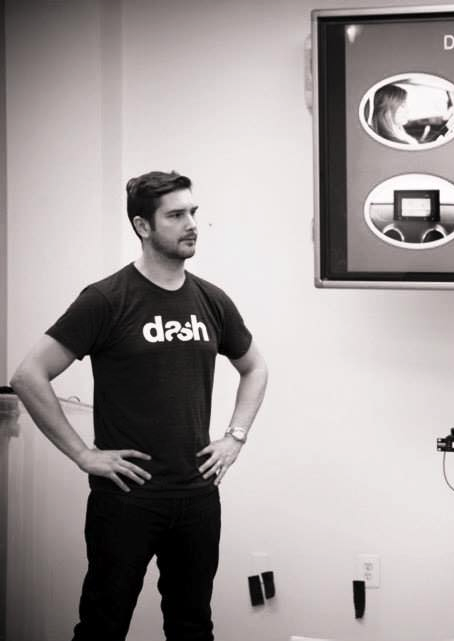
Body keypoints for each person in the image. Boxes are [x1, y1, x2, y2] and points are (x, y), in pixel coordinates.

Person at [10, 170, 269, 641]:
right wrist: (83, 454)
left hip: (196, 496)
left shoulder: (211, 300)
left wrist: (234, 438)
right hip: (127, 499)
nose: (191, 224)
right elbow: (29, 376)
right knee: (102, 627)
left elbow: (255, 367)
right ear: (143, 226)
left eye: (193, 212)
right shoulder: (107, 299)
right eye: (176, 215)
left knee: (193, 627)